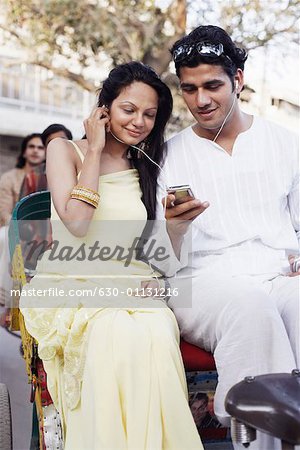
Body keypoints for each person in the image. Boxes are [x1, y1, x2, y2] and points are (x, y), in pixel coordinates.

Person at [20, 62, 203, 450]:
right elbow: (78, 224)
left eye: (150, 115)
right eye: (129, 110)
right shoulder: (63, 150)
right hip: (72, 282)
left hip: (130, 282)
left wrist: (175, 225)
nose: (139, 122)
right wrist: (96, 148)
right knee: (113, 334)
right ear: (103, 108)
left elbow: (147, 250)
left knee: (156, 331)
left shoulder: (144, 167)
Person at [156, 25, 299, 450]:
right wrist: (175, 227)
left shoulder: (285, 143)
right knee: (249, 307)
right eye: (189, 88)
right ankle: (257, 442)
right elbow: (157, 261)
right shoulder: (166, 154)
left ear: (238, 80)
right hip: (201, 283)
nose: (201, 100)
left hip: (277, 273)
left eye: (213, 85)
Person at [0, 134, 45, 305]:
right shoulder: (10, 178)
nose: (35, 151)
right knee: (6, 236)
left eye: (40, 148)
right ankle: (5, 297)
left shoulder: (49, 178)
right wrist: (24, 228)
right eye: (31, 147)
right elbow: (4, 213)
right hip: (13, 227)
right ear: (24, 152)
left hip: (43, 231)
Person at [19, 124, 73, 199]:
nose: (57, 145)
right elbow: (23, 207)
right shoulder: (33, 176)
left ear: (71, 144)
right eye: (51, 142)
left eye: (62, 140)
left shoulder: (81, 170)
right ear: (45, 148)